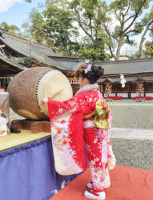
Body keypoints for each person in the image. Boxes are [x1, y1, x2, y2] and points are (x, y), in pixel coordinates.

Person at [42, 64, 116, 200]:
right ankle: (100, 182)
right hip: (100, 131)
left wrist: (49, 103)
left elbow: (67, 106)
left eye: (79, 79)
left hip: (92, 132)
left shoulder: (84, 96)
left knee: (95, 160)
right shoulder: (97, 94)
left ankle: (98, 190)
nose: (79, 82)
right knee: (100, 157)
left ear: (85, 80)